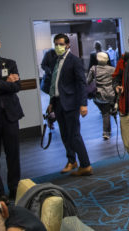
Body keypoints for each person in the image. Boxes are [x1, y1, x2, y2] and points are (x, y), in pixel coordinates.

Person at [47, 33, 93, 176]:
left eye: (61, 44)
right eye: (56, 44)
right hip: (58, 102)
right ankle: (71, 161)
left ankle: (85, 165)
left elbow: (81, 83)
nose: (58, 47)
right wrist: (51, 102)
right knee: (65, 135)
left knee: (74, 135)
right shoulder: (55, 60)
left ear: (68, 45)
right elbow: (54, 83)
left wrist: (83, 104)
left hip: (71, 103)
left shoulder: (74, 61)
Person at [0, 34, 24, 200]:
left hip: (11, 115)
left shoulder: (10, 63)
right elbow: (10, 85)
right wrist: (5, 82)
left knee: (13, 154)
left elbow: (16, 87)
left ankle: (15, 188)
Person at [87, 52, 115, 140]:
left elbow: (88, 81)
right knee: (106, 113)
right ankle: (106, 132)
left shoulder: (93, 68)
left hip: (97, 96)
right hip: (109, 95)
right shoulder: (112, 69)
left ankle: (108, 131)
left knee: (104, 112)